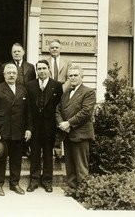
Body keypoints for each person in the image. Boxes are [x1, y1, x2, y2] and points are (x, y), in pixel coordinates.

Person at [0, 63, 32, 196]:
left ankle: (14, 184)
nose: (11, 75)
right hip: (3, 130)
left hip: (18, 130)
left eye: (13, 73)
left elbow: (28, 112)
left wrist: (29, 128)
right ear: (4, 75)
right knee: (0, 157)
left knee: (16, 159)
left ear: (17, 75)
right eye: (9, 73)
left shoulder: (23, 89)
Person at [55, 65, 96, 197]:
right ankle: (72, 189)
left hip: (80, 134)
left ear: (81, 77)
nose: (72, 78)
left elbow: (85, 112)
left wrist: (69, 123)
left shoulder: (89, 92)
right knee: (70, 164)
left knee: (81, 166)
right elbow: (58, 109)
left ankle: (83, 192)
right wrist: (61, 123)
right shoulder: (66, 93)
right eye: (70, 76)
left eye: (75, 75)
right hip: (67, 133)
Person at [26, 60, 63, 193]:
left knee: (48, 154)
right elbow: (28, 108)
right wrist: (29, 127)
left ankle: (47, 181)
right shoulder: (30, 85)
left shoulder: (57, 86)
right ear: (36, 71)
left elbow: (60, 107)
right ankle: (34, 180)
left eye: (44, 68)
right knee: (35, 153)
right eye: (39, 69)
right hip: (35, 126)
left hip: (50, 126)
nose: (41, 71)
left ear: (49, 70)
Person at [46, 39, 73, 160]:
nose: (54, 49)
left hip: (63, 94)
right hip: (48, 94)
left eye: (57, 47)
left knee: (61, 119)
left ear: (60, 49)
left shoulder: (67, 62)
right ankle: (48, 149)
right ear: (49, 49)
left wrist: (60, 90)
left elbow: (69, 78)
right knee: (49, 120)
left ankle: (58, 151)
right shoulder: (45, 62)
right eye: (52, 47)